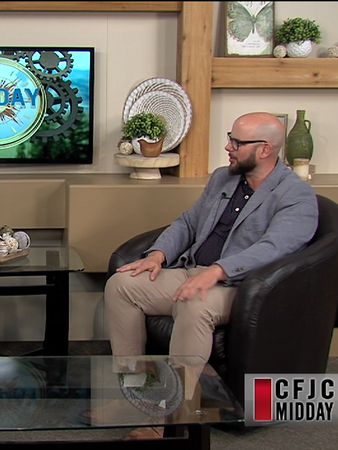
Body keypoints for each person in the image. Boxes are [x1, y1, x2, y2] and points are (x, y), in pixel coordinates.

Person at [102, 112, 318, 439]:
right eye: (230, 138)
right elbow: (187, 223)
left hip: (243, 286)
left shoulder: (295, 195)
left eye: (237, 142)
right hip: (193, 270)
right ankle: (135, 396)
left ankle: (168, 418)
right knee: (122, 286)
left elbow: (275, 248)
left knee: (194, 304)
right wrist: (158, 255)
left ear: (264, 149)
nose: (228, 147)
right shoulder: (222, 178)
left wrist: (218, 271)